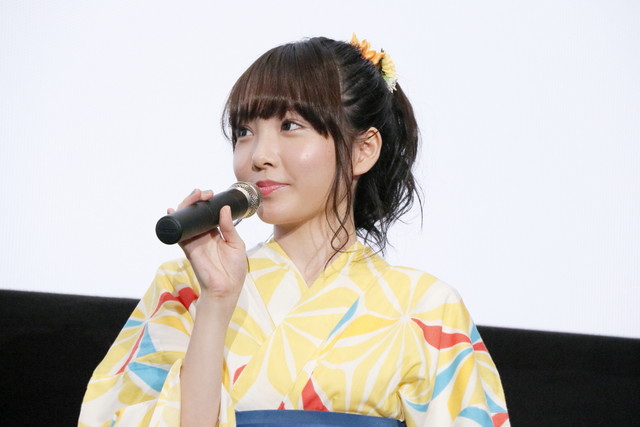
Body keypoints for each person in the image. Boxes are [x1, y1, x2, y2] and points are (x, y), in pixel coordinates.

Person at [79, 35, 509, 427]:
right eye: (245, 131)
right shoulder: (183, 289)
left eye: (290, 126)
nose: (259, 155)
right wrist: (216, 303)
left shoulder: (427, 308)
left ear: (363, 150)